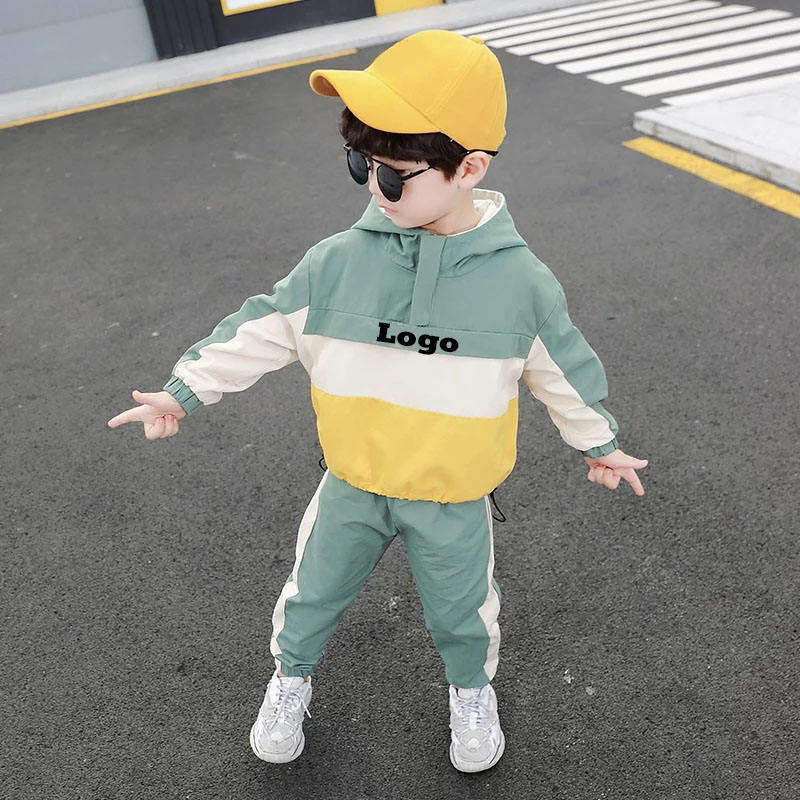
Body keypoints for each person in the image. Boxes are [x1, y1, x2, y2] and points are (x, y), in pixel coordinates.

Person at [107, 29, 648, 773]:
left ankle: (471, 693)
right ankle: (290, 680)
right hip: (352, 481)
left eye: (392, 175)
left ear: (470, 168)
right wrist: (182, 393)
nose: (372, 187)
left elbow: (563, 369)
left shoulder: (521, 285)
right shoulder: (336, 263)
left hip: (453, 495)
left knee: (464, 615)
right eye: (358, 163)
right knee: (310, 597)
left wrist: (598, 442)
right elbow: (263, 327)